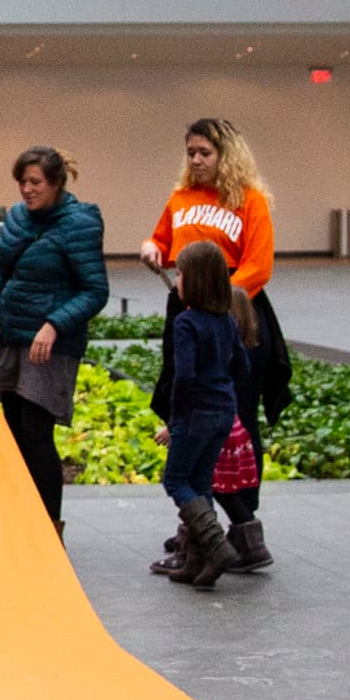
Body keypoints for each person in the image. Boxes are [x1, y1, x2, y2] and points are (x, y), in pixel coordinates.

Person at [140, 117, 286, 574]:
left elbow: (258, 267)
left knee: (234, 419)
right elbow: (163, 243)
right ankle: (199, 530)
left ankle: (238, 525)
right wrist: (151, 247)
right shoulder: (181, 198)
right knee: (193, 415)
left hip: (235, 315)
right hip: (189, 310)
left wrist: (215, 306)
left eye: (205, 152)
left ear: (227, 155)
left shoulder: (251, 201)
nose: (197, 160)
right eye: (191, 153)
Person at [0, 145, 106, 533]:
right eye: (21, 182)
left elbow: (95, 291)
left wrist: (54, 324)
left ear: (56, 183)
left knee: (36, 432)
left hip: (49, 347)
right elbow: (1, 270)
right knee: (14, 432)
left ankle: (49, 527)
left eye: (34, 183)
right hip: (13, 338)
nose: (26, 190)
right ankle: (22, 522)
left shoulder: (79, 222)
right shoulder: (17, 218)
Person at [151, 240, 249, 589]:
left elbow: (184, 376)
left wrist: (176, 419)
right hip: (223, 410)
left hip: (194, 413)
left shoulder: (185, 322)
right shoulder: (225, 320)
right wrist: (224, 392)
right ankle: (198, 562)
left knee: (176, 480)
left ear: (194, 281)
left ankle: (216, 545)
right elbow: (242, 364)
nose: (176, 279)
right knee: (201, 482)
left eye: (180, 273)